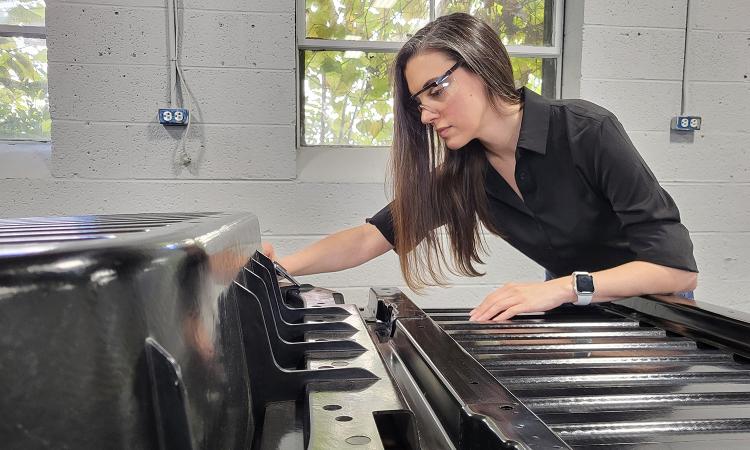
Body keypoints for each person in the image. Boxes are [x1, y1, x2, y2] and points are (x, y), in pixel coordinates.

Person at [263, 12, 698, 321]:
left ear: (480, 65)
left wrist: (561, 287)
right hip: (576, 310)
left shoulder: (588, 131)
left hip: (654, 312)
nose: (426, 115)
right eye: (418, 103)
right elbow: (372, 236)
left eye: (435, 90)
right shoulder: (465, 173)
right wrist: (278, 267)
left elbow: (675, 267)